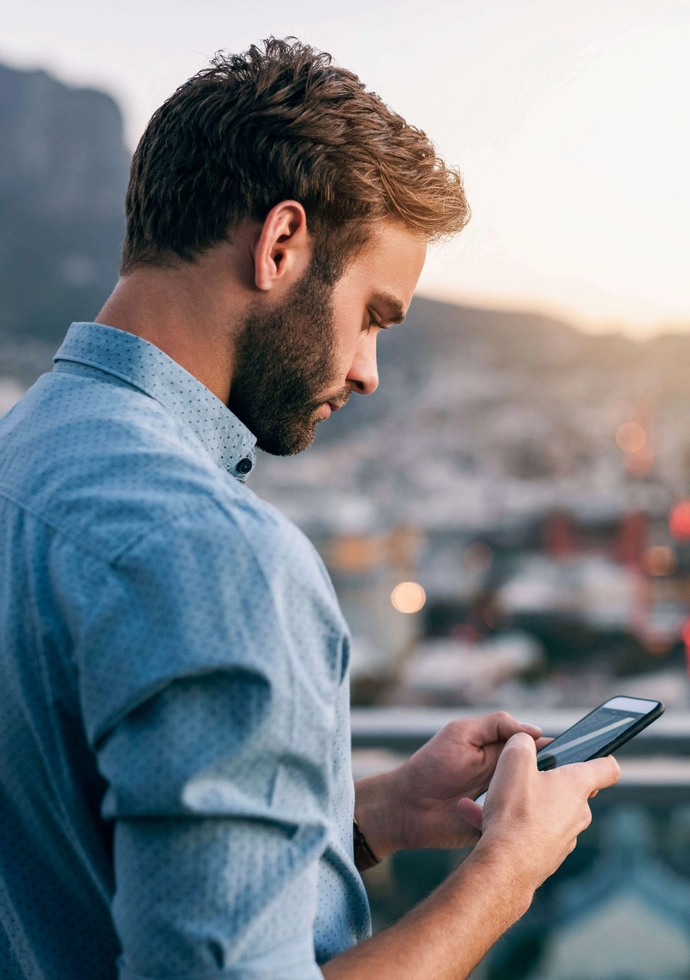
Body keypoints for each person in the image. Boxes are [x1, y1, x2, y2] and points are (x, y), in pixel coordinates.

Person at [0, 37, 620, 980]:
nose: (368, 372)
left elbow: (84, 852)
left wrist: (383, 811)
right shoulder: (220, 556)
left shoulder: (23, 457)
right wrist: (505, 872)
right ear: (280, 244)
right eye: (372, 314)